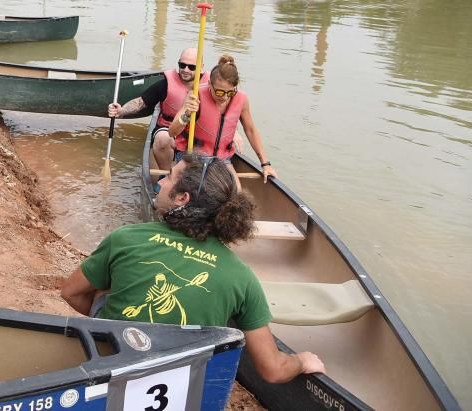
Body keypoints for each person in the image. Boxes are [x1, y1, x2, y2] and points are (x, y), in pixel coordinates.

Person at [61, 155, 325, 385]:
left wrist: (106, 321)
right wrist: (301, 361)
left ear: (182, 199)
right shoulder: (241, 276)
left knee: (104, 284)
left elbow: (71, 293)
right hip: (184, 381)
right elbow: (274, 370)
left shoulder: (126, 237)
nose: (161, 181)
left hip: (114, 365)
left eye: (169, 177)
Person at [170, 55, 277, 183]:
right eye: (220, 92)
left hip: (222, 160)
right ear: (209, 84)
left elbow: (250, 130)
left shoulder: (242, 100)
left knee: (236, 192)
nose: (225, 97)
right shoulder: (195, 95)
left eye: (230, 93)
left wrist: (265, 164)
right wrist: (187, 114)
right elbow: (172, 132)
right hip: (192, 157)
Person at [108, 47, 210, 171]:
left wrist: (234, 134)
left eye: (191, 67)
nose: (185, 70)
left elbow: (221, 112)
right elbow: (141, 102)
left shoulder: (210, 87)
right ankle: (166, 175)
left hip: (196, 132)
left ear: (201, 67)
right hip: (168, 129)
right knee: (163, 139)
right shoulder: (166, 84)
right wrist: (121, 110)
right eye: (182, 65)